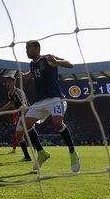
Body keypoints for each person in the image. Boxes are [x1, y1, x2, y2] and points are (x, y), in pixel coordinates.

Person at [18, 40, 80, 172]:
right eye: (25, 48)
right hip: (41, 101)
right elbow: (31, 75)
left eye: (28, 48)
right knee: (25, 124)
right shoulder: (32, 64)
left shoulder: (48, 59)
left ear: (37, 48)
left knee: (57, 122)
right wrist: (24, 76)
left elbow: (70, 64)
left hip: (55, 98)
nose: (26, 50)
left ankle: (73, 153)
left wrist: (56, 61)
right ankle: (41, 153)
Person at [0, 75, 46, 163]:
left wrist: (24, 113)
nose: (8, 83)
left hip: (27, 113)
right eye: (7, 81)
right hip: (21, 115)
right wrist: (2, 109)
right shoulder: (9, 94)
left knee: (29, 132)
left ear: (14, 83)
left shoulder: (18, 91)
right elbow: (11, 103)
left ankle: (39, 150)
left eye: (10, 81)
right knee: (19, 136)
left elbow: (24, 103)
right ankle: (27, 156)